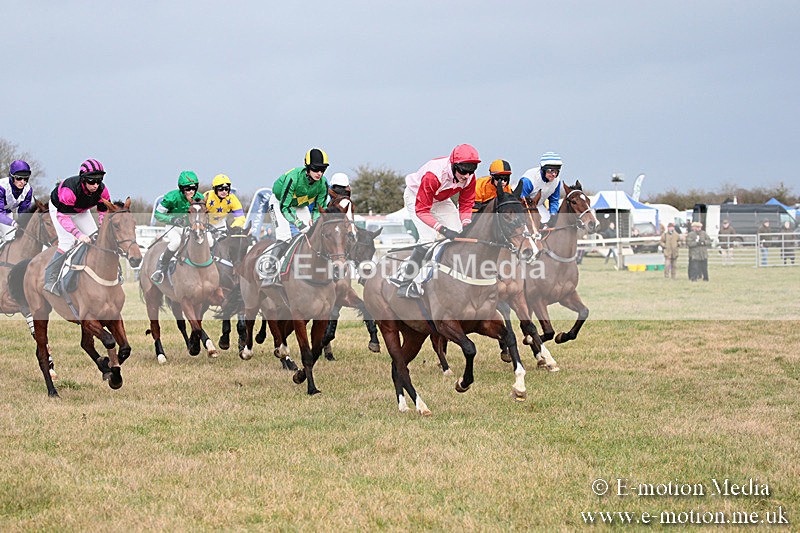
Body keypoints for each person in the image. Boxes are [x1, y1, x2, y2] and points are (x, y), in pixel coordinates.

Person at [392, 144, 480, 298]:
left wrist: (466, 223)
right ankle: (405, 282)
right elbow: (422, 210)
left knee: (460, 234)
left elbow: (466, 204)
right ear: (454, 165)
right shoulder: (433, 176)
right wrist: (442, 229)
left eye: (471, 171)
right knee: (428, 239)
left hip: (440, 200)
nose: (467, 175)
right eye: (463, 171)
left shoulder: (469, 178)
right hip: (416, 196)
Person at [261, 148, 330, 285]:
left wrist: (314, 219)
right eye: (316, 169)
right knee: (284, 237)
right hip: (280, 203)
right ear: (307, 166)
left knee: (311, 233)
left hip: (300, 204)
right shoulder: (293, 178)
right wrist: (299, 223)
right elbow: (285, 208)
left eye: (323, 169)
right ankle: (269, 272)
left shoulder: (323, 183)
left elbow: (319, 208)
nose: (319, 173)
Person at [45, 159, 112, 295]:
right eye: (91, 181)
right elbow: (63, 217)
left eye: (99, 180)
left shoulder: (102, 190)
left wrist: (101, 228)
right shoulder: (69, 190)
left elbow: (103, 212)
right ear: (83, 179)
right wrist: (79, 235)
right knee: (67, 242)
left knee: (95, 239)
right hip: (60, 210)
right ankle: (50, 279)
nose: (96, 185)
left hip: (81, 210)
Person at [150, 171, 204, 284]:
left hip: (190, 227)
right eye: (188, 189)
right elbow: (158, 214)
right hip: (174, 226)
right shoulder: (171, 197)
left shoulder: (200, 198)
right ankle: (161, 269)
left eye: (194, 188)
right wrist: (172, 219)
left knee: (201, 241)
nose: (191, 192)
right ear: (181, 189)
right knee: (176, 242)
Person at [520, 152, 563, 226]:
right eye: (551, 171)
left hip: (539, 206)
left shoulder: (557, 182)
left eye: (556, 171)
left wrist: (553, 214)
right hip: (524, 208)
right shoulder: (528, 180)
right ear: (543, 170)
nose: (554, 174)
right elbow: (521, 201)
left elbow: (554, 200)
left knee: (548, 223)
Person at [0, 160, 34, 243]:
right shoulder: (2, 187)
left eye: (26, 178)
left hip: (6, 214)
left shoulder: (28, 189)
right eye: (19, 178)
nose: (22, 182)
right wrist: (13, 223)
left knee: (11, 239)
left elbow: (23, 211)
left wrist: (23, 223)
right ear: (12, 177)